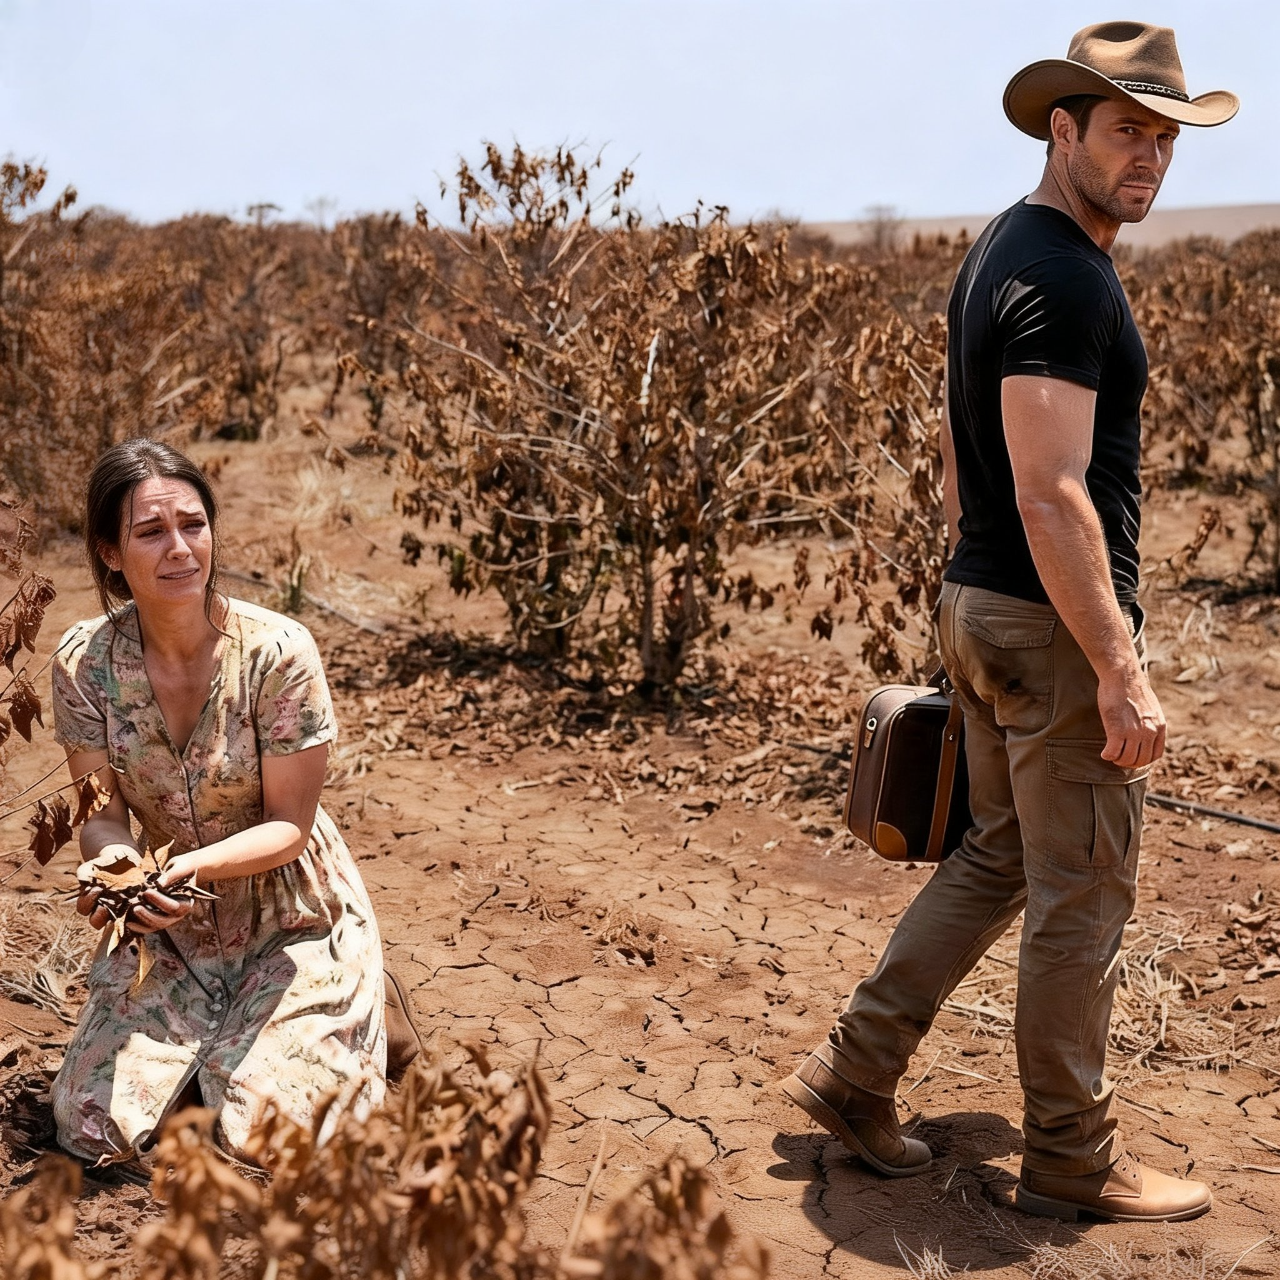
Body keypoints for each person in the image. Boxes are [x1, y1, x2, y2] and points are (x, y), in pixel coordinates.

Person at [782, 22, 1238, 1222]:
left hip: (984, 600)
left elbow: (957, 443)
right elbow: (1049, 489)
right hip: (1041, 619)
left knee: (991, 856)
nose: (1147, 157)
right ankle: (1071, 1161)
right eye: (1125, 130)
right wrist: (1118, 669)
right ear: (1062, 128)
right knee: (1079, 897)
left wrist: (973, 571)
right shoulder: (1062, 275)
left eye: (1163, 136)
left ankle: (853, 1068)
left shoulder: (1003, 245)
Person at [51, 439, 387, 1166]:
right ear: (111, 552)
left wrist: (185, 869)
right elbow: (100, 812)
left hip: (292, 917)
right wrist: (113, 867)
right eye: (151, 532)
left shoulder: (277, 652)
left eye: (193, 525)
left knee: (270, 1139)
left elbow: (290, 828)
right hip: (169, 929)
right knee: (90, 1126)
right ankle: (224, 1056)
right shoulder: (83, 663)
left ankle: (348, 1000)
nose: (180, 549)